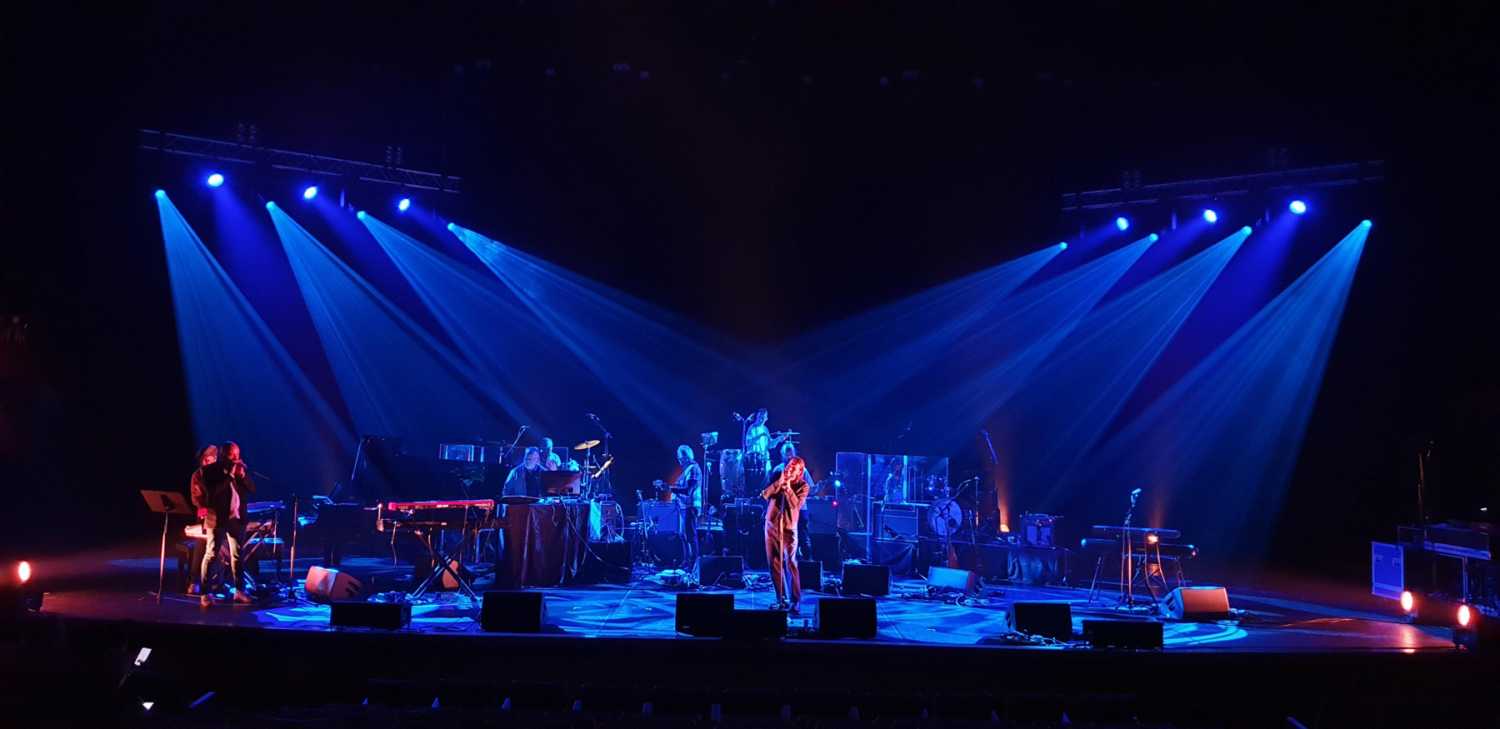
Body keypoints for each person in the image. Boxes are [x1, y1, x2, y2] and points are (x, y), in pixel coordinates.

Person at [196, 441, 256, 606]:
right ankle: (205, 593)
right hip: (217, 519)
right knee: (212, 554)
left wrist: (242, 476)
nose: (237, 459)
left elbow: (252, 489)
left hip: (236, 519)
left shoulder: (239, 471)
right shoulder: (209, 471)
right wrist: (229, 475)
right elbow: (213, 495)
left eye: (238, 455)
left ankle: (239, 591)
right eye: (232, 455)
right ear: (223, 455)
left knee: (238, 556)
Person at [761, 456, 810, 614]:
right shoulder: (777, 477)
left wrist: (788, 488)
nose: (789, 469)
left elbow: (796, 505)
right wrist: (780, 482)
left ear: (799, 471)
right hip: (771, 526)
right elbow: (765, 494)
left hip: (789, 529)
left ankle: (795, 601)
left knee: (791, 562)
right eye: (788, 466)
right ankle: (780, 599)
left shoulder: (803, 486)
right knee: (774, 563)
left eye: (793, 468)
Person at [186, 444, 218, 595]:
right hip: (204, 515)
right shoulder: (197, 476)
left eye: (213, 459)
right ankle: (194, 581)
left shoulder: (219, 474)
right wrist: (205, 510)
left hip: (220, 515)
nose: (208, 462)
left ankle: (217, 580)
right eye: (207, 460)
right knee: (201, 548)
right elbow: (197, 498)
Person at [673, 445, 703, 561]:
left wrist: (670, 489)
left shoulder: (693, 469)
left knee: (690, 535)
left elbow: (688, 491)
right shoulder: (686, 471)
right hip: (684, 507)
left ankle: (694, 563)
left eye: (680, 457)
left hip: (690, 506)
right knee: (683, 535)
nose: (679, 460)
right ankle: (687, 561)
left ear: (686, 457)